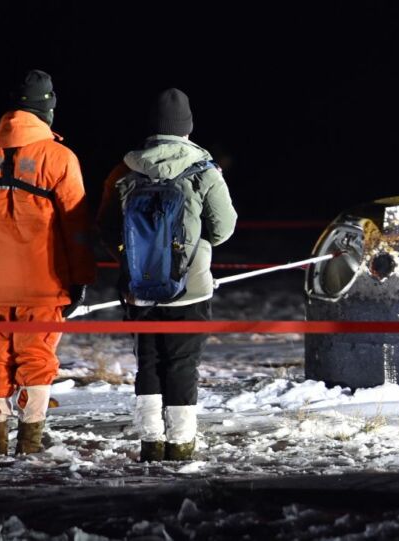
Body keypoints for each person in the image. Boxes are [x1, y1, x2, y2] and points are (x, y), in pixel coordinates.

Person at [97, 88, 236, 462]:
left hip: (139, 289)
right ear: (187, 127)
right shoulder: (204, 171)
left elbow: (107, 227)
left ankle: (151, 441)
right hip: (189, 290)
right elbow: (224, 229)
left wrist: (133, 261)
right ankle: (180, 444)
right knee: (182, 364)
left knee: (149, 362)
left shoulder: (125, 169)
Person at [0, 69, 96, 455]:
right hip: (44, 279)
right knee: (37, 358)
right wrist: (80, 277)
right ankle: (30, 438)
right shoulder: (59, 156)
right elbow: (76, 225)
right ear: (47, 109)